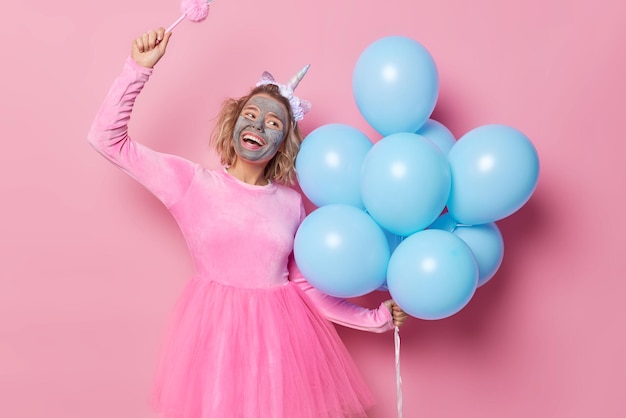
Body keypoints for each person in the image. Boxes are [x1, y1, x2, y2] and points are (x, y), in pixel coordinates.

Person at [88, 27, 408, 418]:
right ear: (234, 123)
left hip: (280, 343)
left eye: (273, 123)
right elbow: (107, 139)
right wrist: (137, 69)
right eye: (250, 115)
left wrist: (373, 318)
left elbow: (305, 286)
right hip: (215, 338)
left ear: (283, 142)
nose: (258, 125)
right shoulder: (191, 183)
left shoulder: (291, 204)